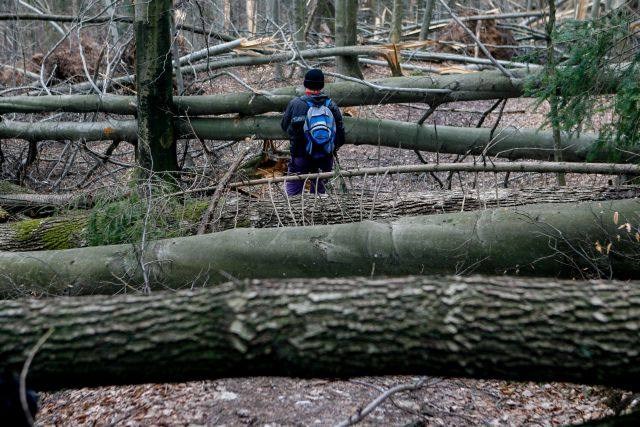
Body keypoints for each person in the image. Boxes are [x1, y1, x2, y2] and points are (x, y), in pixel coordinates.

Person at [280, 68, 345, 196]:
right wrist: (330, 147)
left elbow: (284, 126)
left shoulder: (296, 104)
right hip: (325, 156)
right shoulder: (331, 105)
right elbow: (341, 135)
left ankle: (292, 213)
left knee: (293, 191)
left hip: (300, 156)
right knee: (320, 193)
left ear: (305, 84)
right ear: (322, 85)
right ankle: (319, 215)